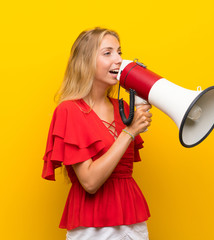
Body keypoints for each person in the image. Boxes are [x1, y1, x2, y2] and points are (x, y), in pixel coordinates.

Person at [42, 27, 152, 240]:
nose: (119, 59)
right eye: (108, 53)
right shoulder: (70, 111)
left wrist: (143, 86)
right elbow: (90, 182)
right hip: (92, 227)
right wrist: (129, 133)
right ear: (86, 61)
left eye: (120, 51)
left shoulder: (124, 109)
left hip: (133, 222)